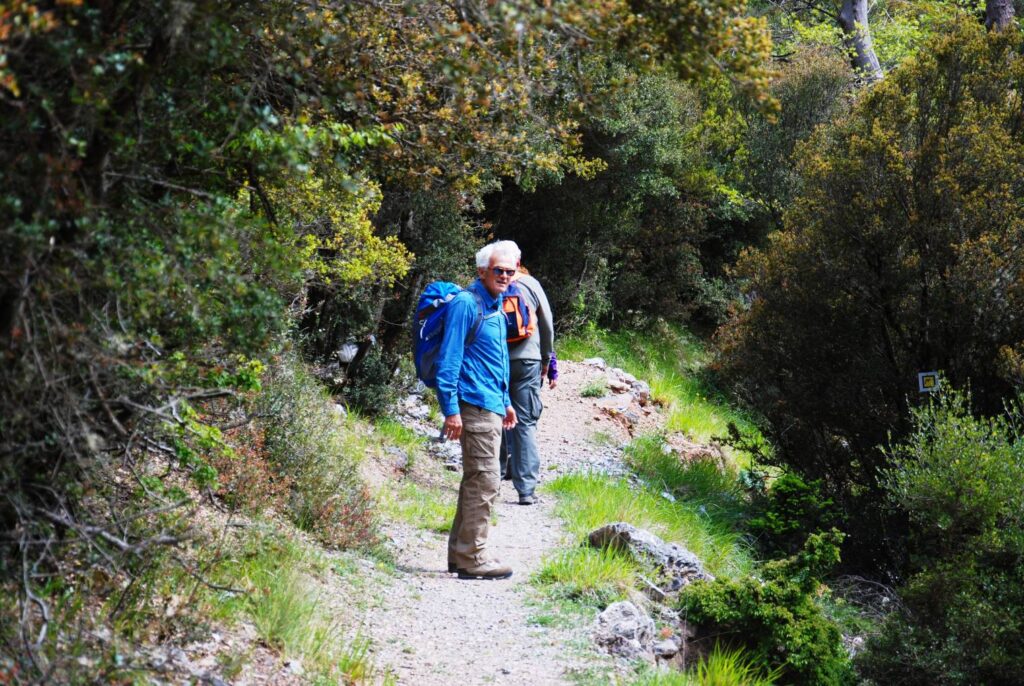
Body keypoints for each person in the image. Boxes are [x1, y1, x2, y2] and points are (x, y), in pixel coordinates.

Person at [437, 241, 519, 580]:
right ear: (482, 271)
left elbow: (492, 362)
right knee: (486, 481)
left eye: (509, 271)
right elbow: (449, 359)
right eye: (497, 270)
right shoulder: (467, 305)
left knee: (476, 480)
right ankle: (473, 557)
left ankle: (460, 554)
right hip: (473, 406)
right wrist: (450, 409)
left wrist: (506, 402)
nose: (503, 276)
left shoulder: (497, 305)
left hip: (491, 404)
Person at [498, 243, 557, 505]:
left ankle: (493, 479)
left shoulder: (487, 281)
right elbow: (546, 323)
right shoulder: (531, 284)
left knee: (494, 415)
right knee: (525, 422)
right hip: (527, 360)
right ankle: (526, 490)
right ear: (519, 259)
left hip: (495, 359)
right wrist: (548, 358)